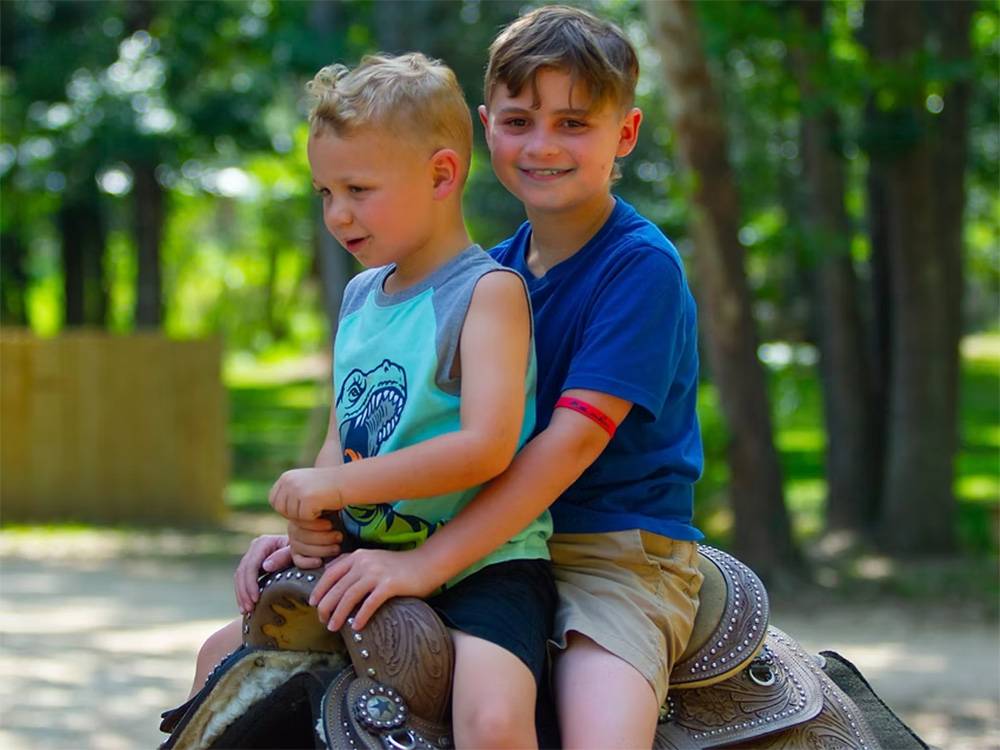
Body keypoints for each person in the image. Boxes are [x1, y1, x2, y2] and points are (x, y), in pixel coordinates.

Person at [244, 6, 705, 747]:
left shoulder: (639, 267)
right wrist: (316, 527)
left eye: (573, 124)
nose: (542, 144)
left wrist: (429, 562)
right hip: (482, 532)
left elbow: (565, 447)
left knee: (597, 736)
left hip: (610, 551)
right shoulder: (489, 272)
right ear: (487, 127)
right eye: (519, 121)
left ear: (625, 134)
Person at [190, 52, 556, 750]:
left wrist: (335, 485)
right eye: (325, 192)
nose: (337, 214)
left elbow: (486, 447)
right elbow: (342, 436)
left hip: (482, 568)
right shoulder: (361, 296)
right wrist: (313, 521)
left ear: (442, 175)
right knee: (218, 661)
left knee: (492, 719)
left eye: (358, 189)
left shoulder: (487, 294)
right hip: (363, 555)